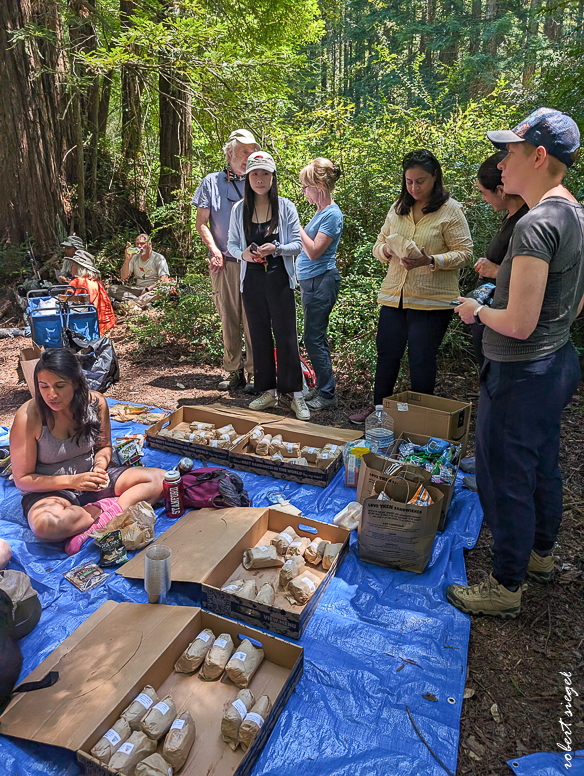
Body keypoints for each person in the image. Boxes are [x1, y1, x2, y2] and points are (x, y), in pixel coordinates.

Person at [447, 107, 583, 619]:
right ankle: (539, 557)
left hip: (521, 370)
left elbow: (519, 323)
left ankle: (506, 585)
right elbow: (574, 303)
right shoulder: (576, 213)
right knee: (541, 466)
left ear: (539, 156)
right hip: (556, 364)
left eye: (509, 152)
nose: (501, 164)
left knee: (503, 476)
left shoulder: (535, 223)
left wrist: (477, 309)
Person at [349, 150, 473, 424]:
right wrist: (387, 251)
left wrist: (431, 260)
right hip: (395, 296)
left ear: (435, 178)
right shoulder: (398, 208)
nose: (414, 188)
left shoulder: (450, 210)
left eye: (421, 181)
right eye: (409, 181)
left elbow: (465, 253)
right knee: (387, 354)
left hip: (432, 301)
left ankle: (419, 419)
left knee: (421, 360)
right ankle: (379, 412)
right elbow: (378, 243)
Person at [10, 349, 166, 555]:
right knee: (46, 525)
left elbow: (103, 447)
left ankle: (99, 519)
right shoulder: (29, 417)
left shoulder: (96, 403)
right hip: (52, 490)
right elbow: (22, 480)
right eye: (43, 387)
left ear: (76, 382)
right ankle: (111, 509)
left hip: (92, 479)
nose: (51, 395)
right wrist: (73, 482)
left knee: (163, 480)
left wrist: (100, 468)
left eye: (59, 386)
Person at [227, 151, 309, 421]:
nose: (260, 179)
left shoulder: (285, 207)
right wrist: (244, 255)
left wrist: (277, 247)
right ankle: (268, 390)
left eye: (265, 173)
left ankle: (296, 394)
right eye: (254, 174)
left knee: (286, 335)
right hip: (251, 277)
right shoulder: (240, 209)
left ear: (273, 177)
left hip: (278, 276)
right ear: (247, 177)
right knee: (258, 335)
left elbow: (297, 245)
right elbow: (232, 244)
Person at [193, 129, 260, 392]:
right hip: (225, 264)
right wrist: (215, 250)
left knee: (253, 318)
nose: (249, 156)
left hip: (254, 263)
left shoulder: (259, 179)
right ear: (230, 152)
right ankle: (234, 372)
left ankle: (256, 373)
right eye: (244, 151)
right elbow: (201, 223)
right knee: (228, 319)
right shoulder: (211, 181)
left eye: (253, 150)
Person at [472, 152, 528, 368]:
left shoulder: (527, 222)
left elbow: (532, 275)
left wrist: (495, 271)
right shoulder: (511, 216)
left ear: (501, 190)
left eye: (483, 193)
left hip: (503, 322)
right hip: (490, 313)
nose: (483, 199)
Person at [297, 158, 344, 411]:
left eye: (306, 186)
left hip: (321, 281)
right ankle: (324, 387)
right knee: (315, 336)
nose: (303, 191)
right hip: (311, 282)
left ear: (320, 186)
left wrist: (295, 225)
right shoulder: (320, 212)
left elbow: (315, 251)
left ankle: (327, 394)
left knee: (313, 338)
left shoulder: (332, 215)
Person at [108, 234, 170, 301]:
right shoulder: (134, 258)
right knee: (112, 289)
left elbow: (164, 279)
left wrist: (148, 289)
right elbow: (123, 277)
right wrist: (127, 260)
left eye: (142, 243)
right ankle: (140, 302)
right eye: (137, 244)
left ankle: (136, 302)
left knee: (164, 290)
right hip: (138, 289)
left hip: (153, 289)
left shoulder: (158, 258)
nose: (140, 246)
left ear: (150, 245)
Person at [68, 250, 116, 335]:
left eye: (73, 265)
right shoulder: (96, 281)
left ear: (79, 267)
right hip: (108, 323)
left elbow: (66, 302)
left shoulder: (77, 282)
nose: (71, 267)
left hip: (94, 327)